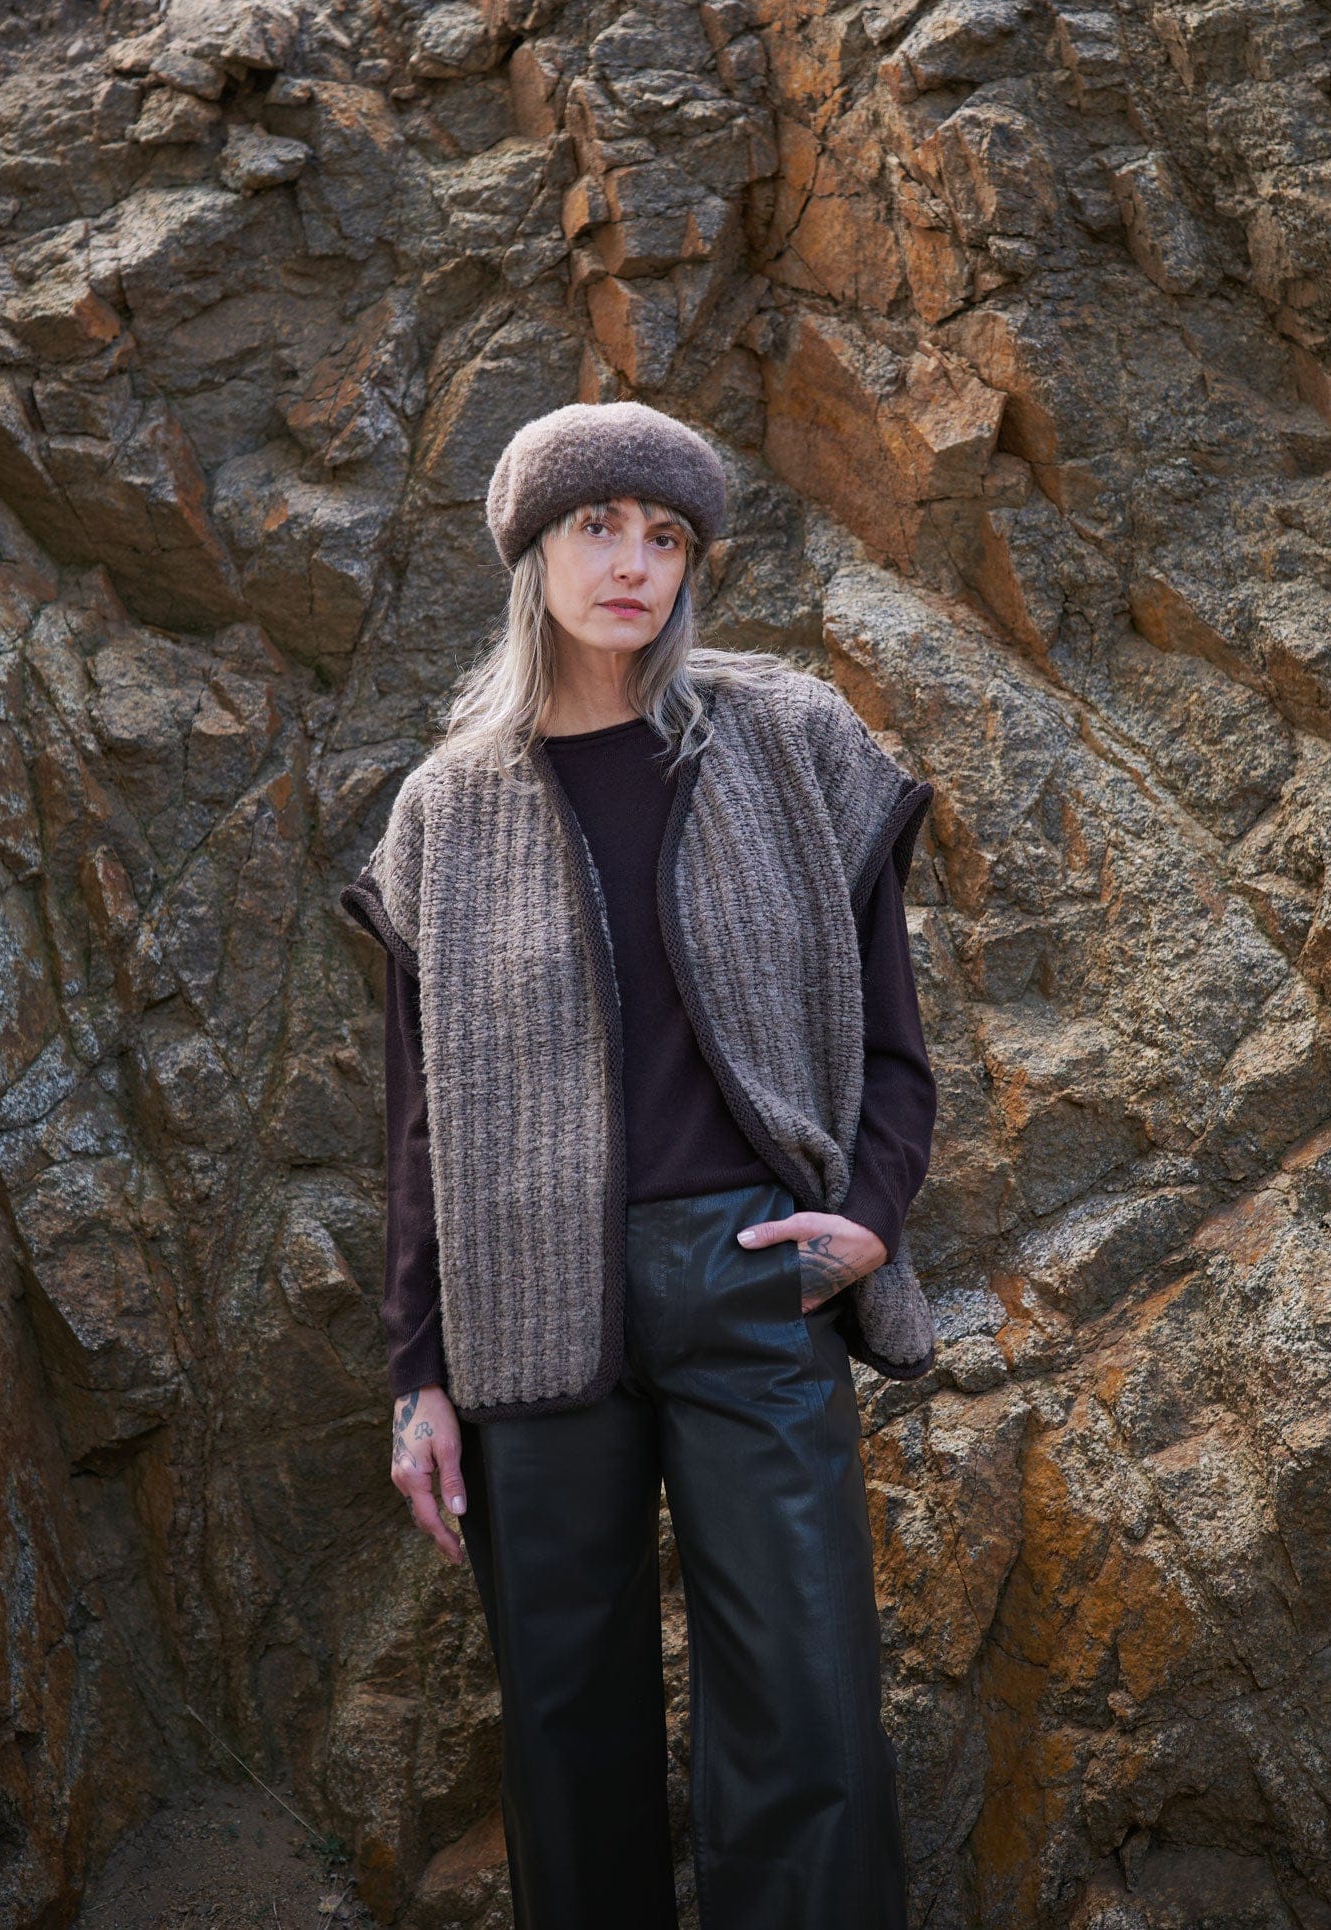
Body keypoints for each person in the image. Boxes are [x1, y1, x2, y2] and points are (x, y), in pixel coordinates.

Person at [340, 400, 939, 1930]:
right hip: (526, 1308)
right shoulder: (443, 809)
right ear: (532, 550)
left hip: (754, 1283)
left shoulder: (787, 737)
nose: (632, 563)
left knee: (809, 1722)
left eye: (665, 537)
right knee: (565, 1743)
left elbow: (893, 1034)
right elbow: (419, 1123)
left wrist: (870, 1216)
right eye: (598, 527)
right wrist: (418, 1375)